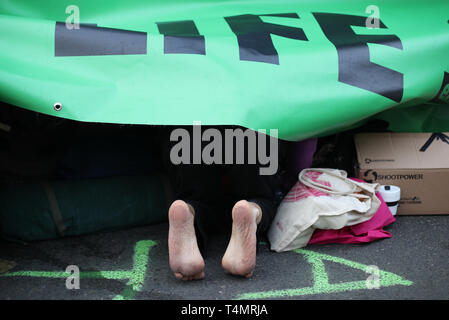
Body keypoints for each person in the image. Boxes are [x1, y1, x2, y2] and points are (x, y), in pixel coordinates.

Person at [158, 126, 283, 281]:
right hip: (253, 128)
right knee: (259, 197)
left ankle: (188, 211)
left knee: (198, 200)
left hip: (186, 132)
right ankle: (252, 211)